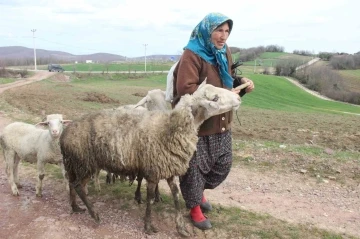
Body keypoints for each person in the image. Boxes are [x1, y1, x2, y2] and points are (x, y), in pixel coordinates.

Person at [171, 12, 255, 230]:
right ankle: (194, 207)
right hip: (198, 124)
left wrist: (240, 81)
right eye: (219, 30)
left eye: (227, 31)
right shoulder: (192, 55)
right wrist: (221, 94)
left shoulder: (223, 51)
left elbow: (227, 76)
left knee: (222, 164)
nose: (223, 36)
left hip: (222, 120)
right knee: (195, 169)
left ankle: (197, 194)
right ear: (207, 31)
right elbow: (186, 90)